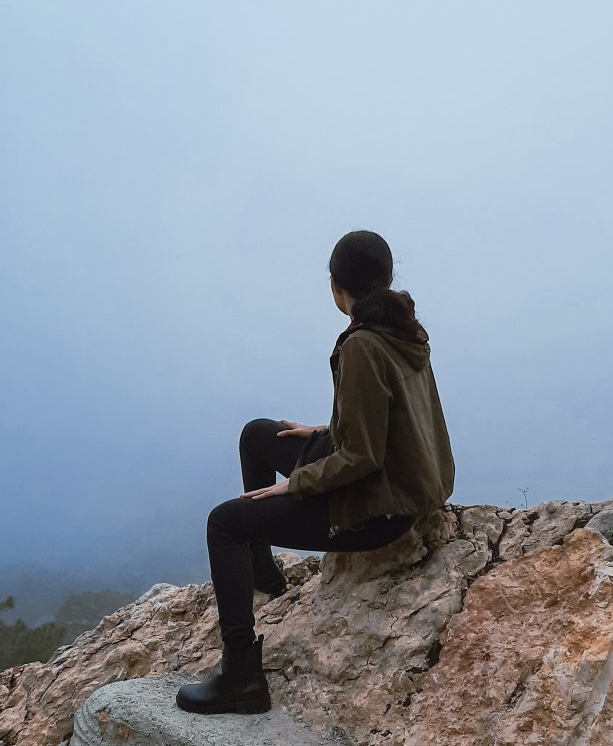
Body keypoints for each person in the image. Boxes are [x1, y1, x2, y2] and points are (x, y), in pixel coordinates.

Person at [176, 230, 455, 715]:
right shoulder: (403, 328)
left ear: (336, 286)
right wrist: (327, 431)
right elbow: (394, 418)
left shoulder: (364, 345)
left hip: (377, 508)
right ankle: (264, 573)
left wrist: (297, 483)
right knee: (259, 435)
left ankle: (242, 677)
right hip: (398, 479)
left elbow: (363, 456)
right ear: (386, 281)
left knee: (225, 523)